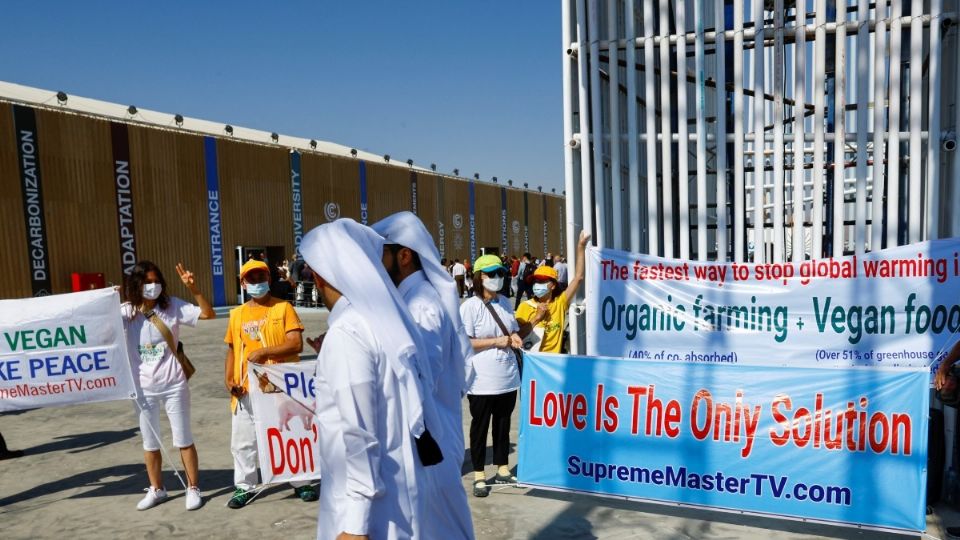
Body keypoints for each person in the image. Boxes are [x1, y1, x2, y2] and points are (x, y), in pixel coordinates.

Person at [300, 218, 445, 540]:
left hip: (368, 510)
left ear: (321, 275)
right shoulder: (378, 320)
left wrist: (354, 525)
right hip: (397, 490)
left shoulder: (348, 332)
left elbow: (358, 432)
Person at [372, 212, 476, 540]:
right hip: (423, 444)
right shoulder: (409, 300)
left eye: (382, 252)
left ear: (404, 256)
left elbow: (420, 375)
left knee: (441, 530)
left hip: (431, 446)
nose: (377, 261)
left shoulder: (422, 306)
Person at [120, 261, 215, 511]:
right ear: (136, 284)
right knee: (150, 442)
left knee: (183, 438)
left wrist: (193, 289)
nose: (153, 286)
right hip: (142, 387)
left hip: (174, 383)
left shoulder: (172, 305)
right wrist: (106, 301)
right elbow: (99, 326)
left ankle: (193, 487)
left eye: (156, 281)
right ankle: (157, 489)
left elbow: (208, 313)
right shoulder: (127, 312)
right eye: (147, 282)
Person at [223, 259, 315, 508]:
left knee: (290, 432)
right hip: (246, 387)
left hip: (281, 384)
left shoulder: (283, 308)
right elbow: (232, 350)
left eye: (261, 277)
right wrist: (229, 378)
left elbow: (296, 344)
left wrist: (265, 352)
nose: (257, 282)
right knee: (243, 441)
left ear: (269, 279)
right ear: (242, 282)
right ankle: (244, 486)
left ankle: (301, 481)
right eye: (251, 279)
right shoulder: (236, 314)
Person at [460, 254, 523, 498]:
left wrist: (514, 337)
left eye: (500, 273)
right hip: (482, 379)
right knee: (480, 426)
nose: (497, 278)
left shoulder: (505, 302)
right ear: (479, 277)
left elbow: (513, 329)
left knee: (503, 423)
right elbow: (464, 342)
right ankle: (478, 473)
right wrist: (496, 341)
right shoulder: (470, 306)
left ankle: (503, 467)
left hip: (507, 376)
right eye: (492, 273)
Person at [516, 232, 590, 354]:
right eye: (535, 281)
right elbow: (516, 337)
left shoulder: (560, 302)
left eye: (542, 281)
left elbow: (578, 278)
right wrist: (537, 318)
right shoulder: (525, 306)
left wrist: (580, 247)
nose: (537, 284)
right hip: (532, 363)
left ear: (553, 285)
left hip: (553, 362)